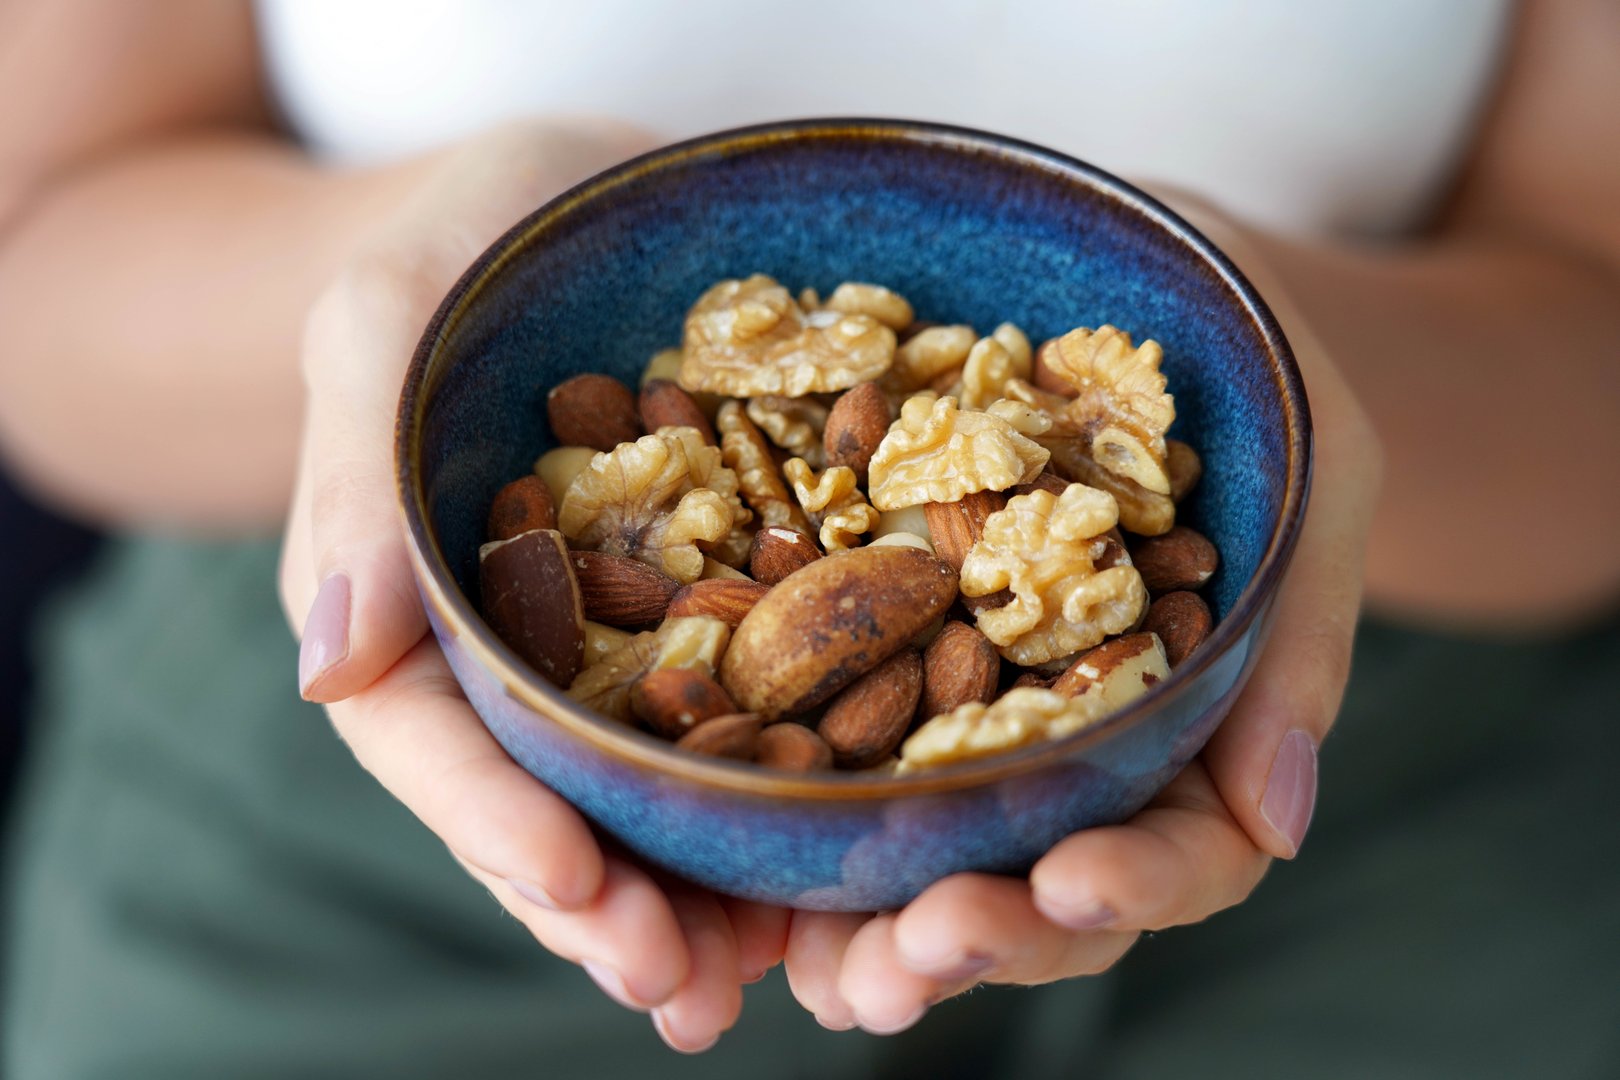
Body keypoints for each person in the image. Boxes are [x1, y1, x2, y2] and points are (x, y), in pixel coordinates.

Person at [2, 0, 1616, 1075]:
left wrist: (1266, 334)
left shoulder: (983, 529)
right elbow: (39, 276)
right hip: (377, 752)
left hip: (1384, 750)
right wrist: (400, 280)